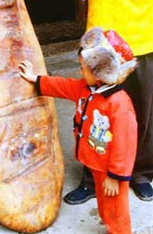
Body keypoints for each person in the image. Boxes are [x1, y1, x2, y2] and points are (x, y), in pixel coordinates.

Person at [23, 0, 153, 204]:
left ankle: (139, 172)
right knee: (93, 118)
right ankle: (91, 177)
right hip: (98, 55)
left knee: (141, 117)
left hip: (140, 50)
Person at [19, 27, 138, 234]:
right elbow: (63, 86)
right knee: (104, 204)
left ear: (100, 73)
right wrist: (36, 79)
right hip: (96, 163)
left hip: (109, 168)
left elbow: (125, 146)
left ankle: (120, 231)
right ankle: (110, 226)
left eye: (83, 68)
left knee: (116, 209)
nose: (80, 72)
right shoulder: (87, 89)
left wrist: (115, 176)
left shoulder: (119, 105)